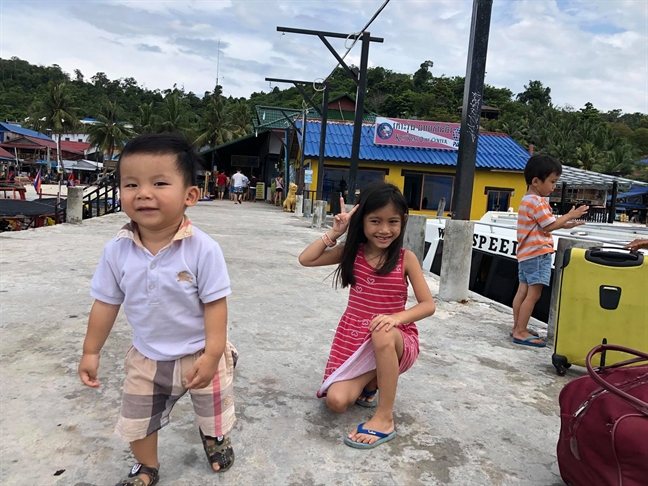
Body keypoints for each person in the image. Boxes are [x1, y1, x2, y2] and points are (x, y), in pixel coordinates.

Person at [78, 134, 237, 485]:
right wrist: (91, 350)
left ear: (189, 196)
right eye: (131, 184)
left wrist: (213, 355)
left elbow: (215, 306)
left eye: (159, 183)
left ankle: (213, 436)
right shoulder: (116, 251)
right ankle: (147, 466)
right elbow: (106, 303)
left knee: (213, 412)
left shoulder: (203, 250)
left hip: (199, 352)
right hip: (147, 357)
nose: (143, 193)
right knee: (137, 420)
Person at [298, 181, 436, 449]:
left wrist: (397, 319)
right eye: (375, 221)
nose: (384, 230)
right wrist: (335, 232)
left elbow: (427, 305)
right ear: (361, 222)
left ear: (403, 221)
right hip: (354, 340)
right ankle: (370, 386)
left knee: (382, 331)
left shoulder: (406, 259)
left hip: (394, 339)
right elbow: (307, 259)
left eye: (392, 222)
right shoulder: (353, 254)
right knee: (336, 403)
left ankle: (384, 418)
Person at [512, 155, 589, 348]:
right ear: (536, 182)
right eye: (553, 182)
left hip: (526, 254)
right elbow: (547, 227)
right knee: (534, 294)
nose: (554, 186)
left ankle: (517, 327)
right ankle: (521, 331)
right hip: (538, 253)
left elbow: (544, 224)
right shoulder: (539, 201)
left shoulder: (526, 200)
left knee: (522, 291)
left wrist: (566, 224)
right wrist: (570, 214)